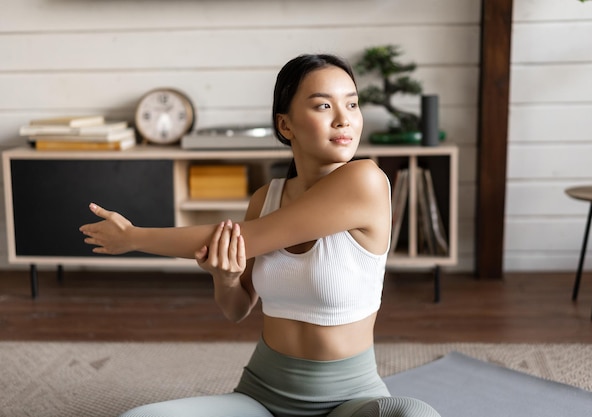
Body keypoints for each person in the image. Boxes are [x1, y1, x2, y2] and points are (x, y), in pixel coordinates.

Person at [80, 53, 440, 417]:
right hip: (262, 398)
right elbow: (237, 309)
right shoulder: (264, 199)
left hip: (349, 403)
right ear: (286, 126)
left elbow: (243, 239)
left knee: (415, 415)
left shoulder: (366, 181)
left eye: (352, 103)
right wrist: (226, 277)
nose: (344, 118)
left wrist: (133, 237)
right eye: (323, 106)